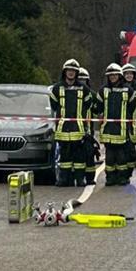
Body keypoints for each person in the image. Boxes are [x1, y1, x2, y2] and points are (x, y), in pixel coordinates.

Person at [49, 59, 92, 187]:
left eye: (73, 71)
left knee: (79, 157)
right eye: (69, 71)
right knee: (64, 157)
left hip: (78, 128)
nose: (71, 73)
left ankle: (80, 180)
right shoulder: (57, 88)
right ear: (65, 72)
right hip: (63, 128)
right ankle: (64, 180)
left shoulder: (83, 88)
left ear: (77, 73)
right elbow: (54, 105)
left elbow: (88, 104)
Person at [94, 64, 136, 186]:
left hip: (122, 129)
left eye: (115, 75)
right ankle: (110, 178)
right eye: (110, 75)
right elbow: (98, 107)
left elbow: (132, 107)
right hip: (107, 129)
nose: (113, 77)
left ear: (119, 75)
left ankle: (122, 178)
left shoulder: (128, 90)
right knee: (109, 157)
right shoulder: (103, 90)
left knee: (121, 156)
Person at [121, 63, 136, 182]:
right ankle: (122, 175)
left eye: (131, 74)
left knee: (131, 152)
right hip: (120, 125)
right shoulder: (119, 88)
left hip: (133, 125)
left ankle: (128, 174)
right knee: (122, 152)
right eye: (126, 74)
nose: (129, 76)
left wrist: (135, 120)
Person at [78, 67, 99, 185]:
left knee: (89, 156)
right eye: (79, 80)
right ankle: (77, 178)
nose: (82, 82)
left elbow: (97, 110)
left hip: (88, 131)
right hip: (74, 130)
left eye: (84, 80)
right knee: (77, 157)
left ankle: (90, 178)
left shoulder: (92, 95)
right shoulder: (70, 92)